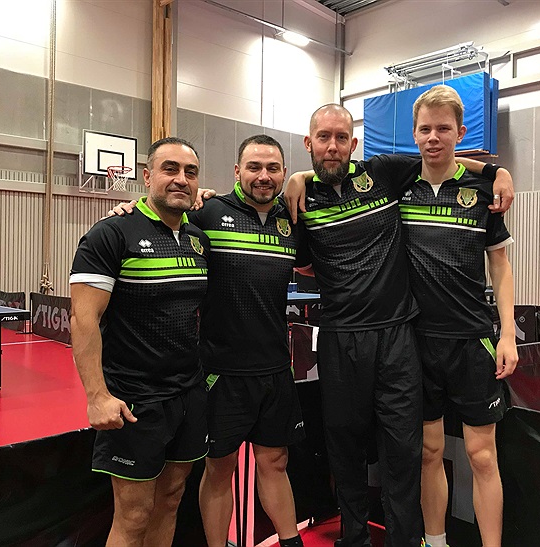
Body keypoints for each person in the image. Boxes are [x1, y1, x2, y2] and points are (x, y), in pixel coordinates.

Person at [282, 103, 514, 547]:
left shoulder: (384, 173)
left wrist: (494, 172)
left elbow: (439, 157)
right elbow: (303, 265)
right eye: (323, 137)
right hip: (340, 339)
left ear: (354, 143)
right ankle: (354, 538)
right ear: (309, 142)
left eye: (341, 137)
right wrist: (295, 178)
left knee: (405, 451)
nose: (333, 146)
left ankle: (406, 540)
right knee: (345, 447)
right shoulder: (298, 201)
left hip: (399, 336)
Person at [108, 134, 308, 547]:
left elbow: (311, 263)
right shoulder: (209, 212)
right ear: (237, 171)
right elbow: (160, 215)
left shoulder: (292, 221)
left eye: (273, 168)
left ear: (284, 173)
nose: (263, 176)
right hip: (220, 372)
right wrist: (128, 210)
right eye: (254, 167)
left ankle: (292, 542)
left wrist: (303, 179)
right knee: (220, 469)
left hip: (276, 369)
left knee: (275, 461)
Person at [70, 137, 210, 547]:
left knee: (171, 498)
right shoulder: (111, 233)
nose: (181, 179)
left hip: (188, 394)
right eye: (170, 169)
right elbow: (83, 319)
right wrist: (97, 396)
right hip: (134, 399)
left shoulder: (198, 239)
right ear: (147, 176)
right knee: (133, 515)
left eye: (190, 172)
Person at [403, 85, 517, 547]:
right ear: (414, 133)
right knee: (429, 452)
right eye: (425, 129)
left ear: (460, 132)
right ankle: (435, 542)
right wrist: (298, 177)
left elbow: (500, 266)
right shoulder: (398, 184)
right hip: (416, 341)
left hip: (472, 340)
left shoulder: (483, 191)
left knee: (482, 455)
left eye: (443, 129)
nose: (434, 137)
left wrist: (507, 334)